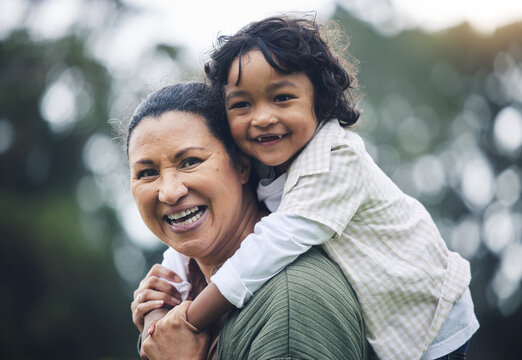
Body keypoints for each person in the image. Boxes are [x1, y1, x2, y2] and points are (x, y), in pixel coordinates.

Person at [153, 15, 479, 360]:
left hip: (431, 317)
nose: (262, 117)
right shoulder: (263, 155)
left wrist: (188, 321)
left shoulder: (336, 160)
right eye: (242, 104)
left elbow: (268, 248)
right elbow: (195, 229)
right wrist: (162, 295)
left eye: (281, 98)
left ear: (319, 100)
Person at [128, 82, 369, 359]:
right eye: (147, 173)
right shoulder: (177, 302)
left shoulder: (291, 306)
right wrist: (155, 325)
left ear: (242, 165)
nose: (169, 192)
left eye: (190, 161)